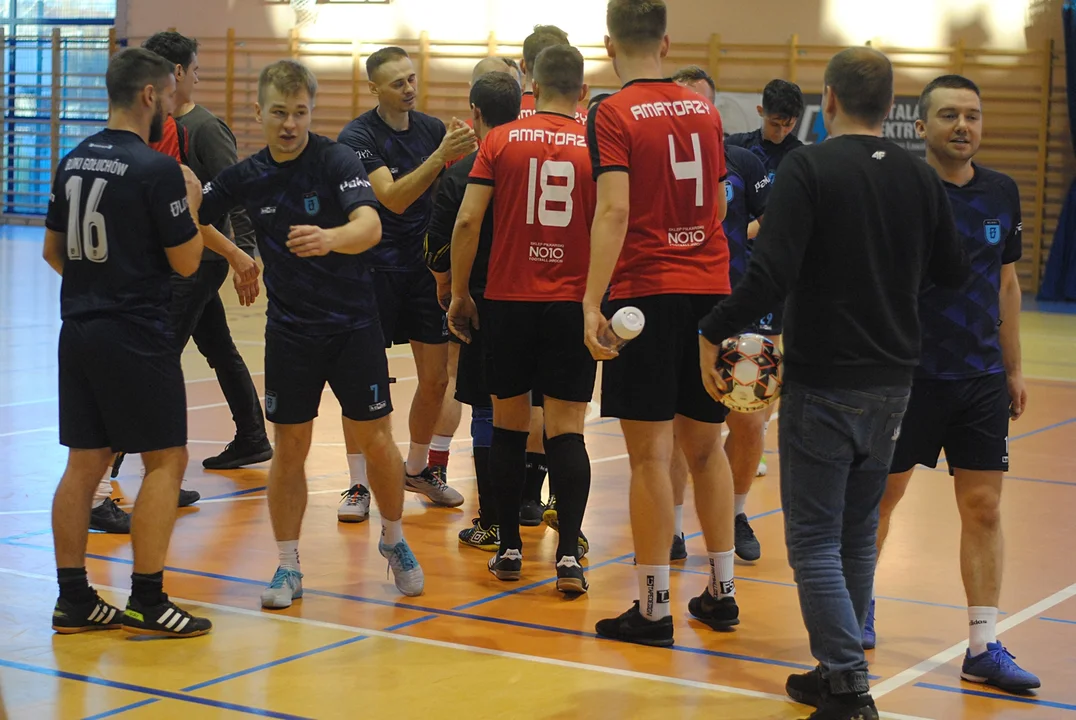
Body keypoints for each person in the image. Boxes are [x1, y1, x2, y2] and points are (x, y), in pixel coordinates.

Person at [697, 48, 968, 720]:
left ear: (830, 99)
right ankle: (832, 668)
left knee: (813, 538)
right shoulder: (919, 177)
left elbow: (769, 274)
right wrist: (889, 290)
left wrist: (712, 326)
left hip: (825, 378)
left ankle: (846, 684)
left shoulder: (811, 168)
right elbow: (955, 273)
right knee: (850, 534)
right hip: (894, 381)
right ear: (891, 104)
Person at [195, 60, 425, 607]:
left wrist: (330, 238)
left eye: (300, 113)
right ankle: (287, 566)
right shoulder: (248, 174)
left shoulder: (337, 159)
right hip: (292, 333)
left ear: (310, 113)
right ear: (259, 113)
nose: (290, 124)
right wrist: (236, 256)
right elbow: (198, 215)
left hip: (353, 327)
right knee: (289, 449)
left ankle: (394, 540)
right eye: (279, 113)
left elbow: (370, 226)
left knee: (377, 441)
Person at [868, 75, 1039, 692]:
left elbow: (1006, 284)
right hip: (907, 377)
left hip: (980, 379)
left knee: (984, 507)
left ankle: (983, 644)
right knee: (881, 500)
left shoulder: (1001, 191)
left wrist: (1013, 367)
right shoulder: (900, 190)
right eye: (948, 116)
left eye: (972, 116)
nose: (962, 126)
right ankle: (860, 603)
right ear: (922, 127)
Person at [584, 0, 739, 647]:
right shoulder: (703, 108)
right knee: (706, 450)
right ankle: (722, 593)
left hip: (647, 292)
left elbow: (614, 210)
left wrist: (590, 302)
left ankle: (651, 610)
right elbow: (722, 197)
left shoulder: (613, 112)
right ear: (667, 42)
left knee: (650, 456)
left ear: (609, 43)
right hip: (711, 291)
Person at [44, 47, 212, 638]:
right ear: (149, 95)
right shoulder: (156, 168)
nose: (170, 103)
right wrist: (190, 202)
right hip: (137, 332)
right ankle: (148, 597)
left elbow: (52, 252)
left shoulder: (73, 159)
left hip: (80, 328)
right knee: (166, 458)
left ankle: (74, 600)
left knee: (84, 463)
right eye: (167, 93)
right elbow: (188, 262)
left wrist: (102, 284)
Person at [450, 44, 597, 593]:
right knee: (566, 431)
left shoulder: (500, 139)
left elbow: (467, 222)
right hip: (568, 304)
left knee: (509, 425)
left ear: (531, 84)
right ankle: (568, 558)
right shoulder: (595, 142)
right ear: (582, 91)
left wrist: (461, 294)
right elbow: (613, 219)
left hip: (508, 301)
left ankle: (509, 546)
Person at [336, 46, 475, 517]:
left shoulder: (434, 129)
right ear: (374, 88)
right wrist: (440, 156)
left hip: (422, 271)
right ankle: (358, 486)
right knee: (363, 380)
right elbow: (391, 198)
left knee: (436, 378)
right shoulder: (357, 136)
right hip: (372, 269)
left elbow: (459, 191)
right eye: (398, 83)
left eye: (412, 79)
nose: (409, 89)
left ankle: (418, 468)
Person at [143, 31, 273, 472]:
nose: (198, 78)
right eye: (195, 70)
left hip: (204, 260)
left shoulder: (205, 128)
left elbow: (238, 197)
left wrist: (243, 257)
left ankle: (147, 461)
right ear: (176, 72)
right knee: (218, 346)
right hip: (180, 258)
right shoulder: (155, 126)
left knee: (157, 355)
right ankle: (253, 437)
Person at [673, 64, 772, 563]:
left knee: (748, 420)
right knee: (674, 423)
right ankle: (671, 526)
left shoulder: (744, 163)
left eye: (702, 103)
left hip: (736, 306)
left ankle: (735, 514)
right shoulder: (655, 161)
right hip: (673, 302)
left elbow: (769, 226)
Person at [426, 70, 522, 551]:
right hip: (542, 300)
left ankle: (491, 522)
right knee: (542, 408)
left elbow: (439, 240)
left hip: (482, 303)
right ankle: (539, 512)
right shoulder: (540, 162)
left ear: (475, 114)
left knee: (487, 408)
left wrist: (450, 289)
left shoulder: (465, 171)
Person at [726, 78, 805, 185]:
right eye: (774, 124)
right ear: (760, 111)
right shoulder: (735, 146)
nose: (781, 132)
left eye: (788, 125)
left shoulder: (800, 157)